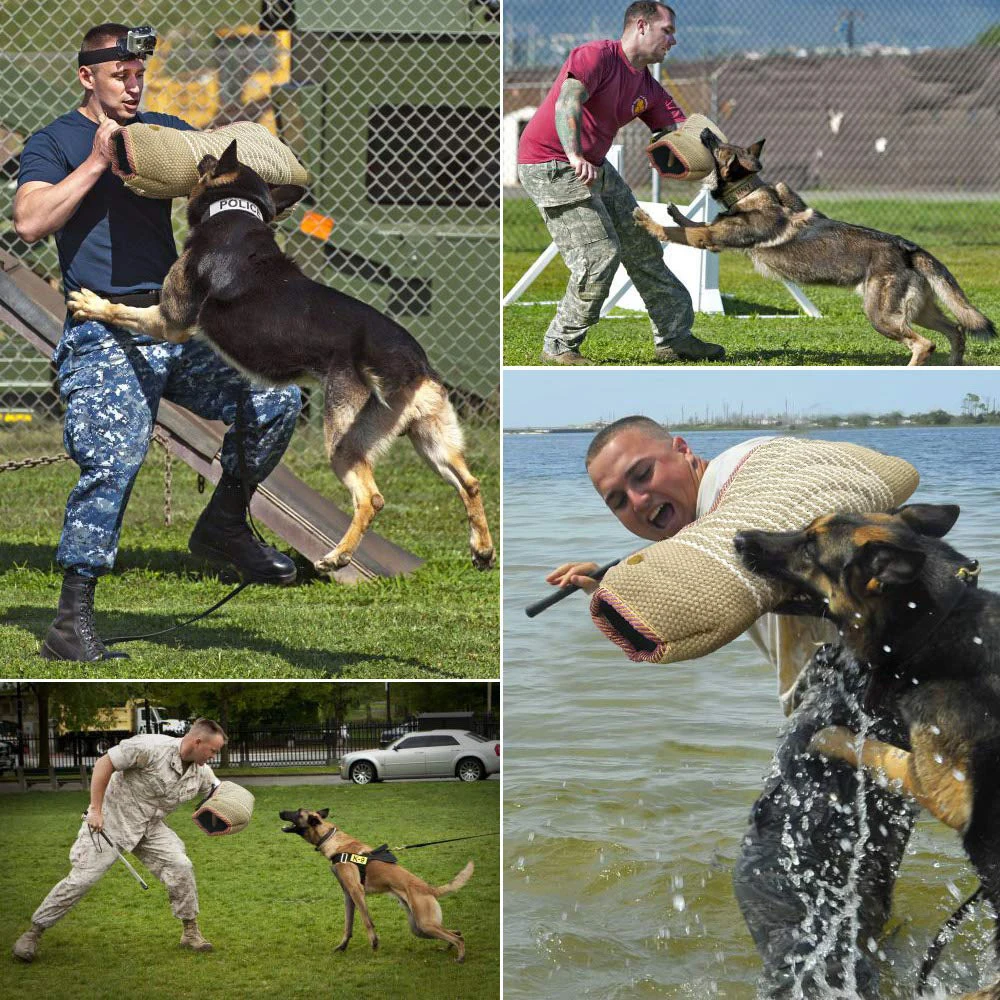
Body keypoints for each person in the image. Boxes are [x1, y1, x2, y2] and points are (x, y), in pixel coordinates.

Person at [547, 416, 915, 998]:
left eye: (643, 476)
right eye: (618, 500)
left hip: (861, 700)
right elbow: (721, 566)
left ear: (684, 451)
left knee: (770, 879)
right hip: (895, 709)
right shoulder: (723, 522)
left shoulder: (754, 477)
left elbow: (779, 546)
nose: (639, 502)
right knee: (848, 901)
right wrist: (620, 575)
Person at [14, 22, 302, 662]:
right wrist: (95, 161)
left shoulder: (162, 133)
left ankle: (225, 523)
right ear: (88, 76)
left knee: (275, 395)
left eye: (140, 73)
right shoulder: (55, 141)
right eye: (121, 75)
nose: (133, 84)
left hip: (170, 325)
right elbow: (30, 221)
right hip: (103, 328)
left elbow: (241, 170)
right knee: (114, 460)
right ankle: (70, 621)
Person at [516, 2, 725, 366]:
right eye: (668, 31)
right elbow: (568, 102)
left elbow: (675, 136)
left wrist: (712, 162)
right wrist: (575, 154)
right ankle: (559, 345)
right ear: (642, 26)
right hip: (550, 161)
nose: (673, 40)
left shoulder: (647, 86)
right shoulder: (596, 56)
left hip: (592, 164)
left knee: (643, 244)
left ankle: (674, 338)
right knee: (599, 254)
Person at [12, 718, 228, 962]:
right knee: (82, 879)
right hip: (110, 823)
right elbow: (105, 763)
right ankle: (33, 933)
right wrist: (95, 809)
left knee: (180, 866)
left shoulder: (201, 773)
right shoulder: (150, 747)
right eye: (213, 751)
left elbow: (220, 794)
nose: (214, 757)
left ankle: (190, 932)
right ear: (198, 742)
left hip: (150, 828)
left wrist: (230, 815)